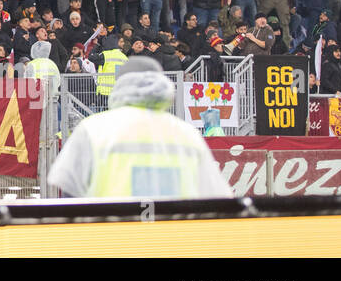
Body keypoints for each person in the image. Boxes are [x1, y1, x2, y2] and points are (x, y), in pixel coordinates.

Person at [48, 57, 231, 199]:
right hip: (172, 241)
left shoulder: (91, 129)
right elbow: (215, 196)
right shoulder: (186, 134)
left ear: (119, 85)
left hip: (110, 239)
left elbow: (69, 194)